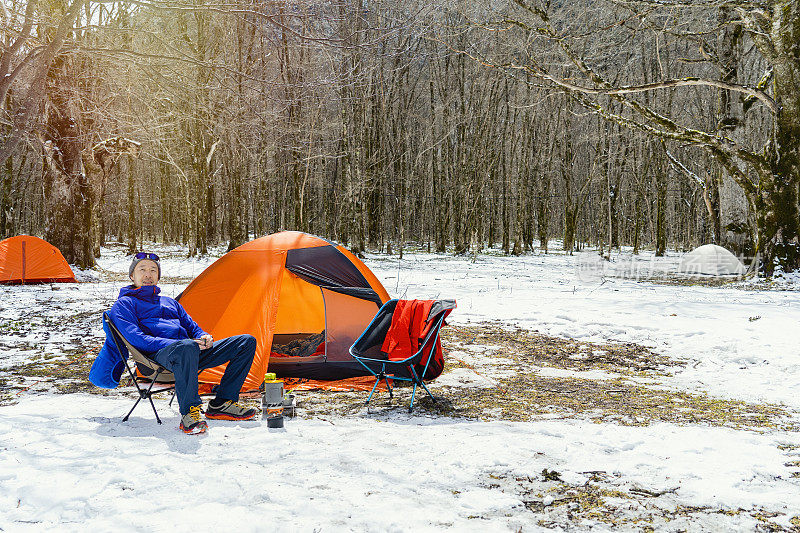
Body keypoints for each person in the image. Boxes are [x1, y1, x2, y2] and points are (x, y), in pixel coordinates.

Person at [97, 252, 257, 435]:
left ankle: (222, 403)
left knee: (245, 342)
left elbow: (192, 326)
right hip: (155, 358)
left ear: (158, 276)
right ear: (132, 275)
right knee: (187, 347)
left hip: (187, 351)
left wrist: (204, 336)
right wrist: (184, 342)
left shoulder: (170, 303)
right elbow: (137, 339)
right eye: (142, 270)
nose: (148, 274)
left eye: (153, 270)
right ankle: (190, 413)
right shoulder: (125, 304)